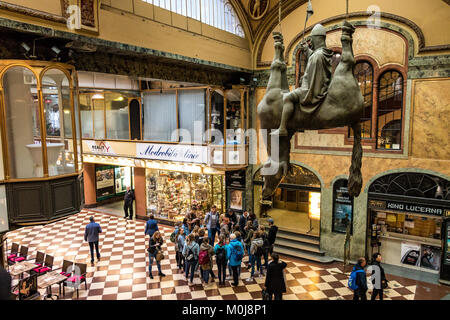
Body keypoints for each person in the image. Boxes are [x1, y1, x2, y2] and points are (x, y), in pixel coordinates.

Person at [271, 23, 334, 136]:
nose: (311, 42)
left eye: (312, 39)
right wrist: (307, 51)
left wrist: (303, 82)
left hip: (311, 90)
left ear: (317, 38)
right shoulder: (323, 53)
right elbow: (315, 59)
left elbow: (312, 78)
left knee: (287, 98)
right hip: (317, 86)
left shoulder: (317, 56)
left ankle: (282, 128)